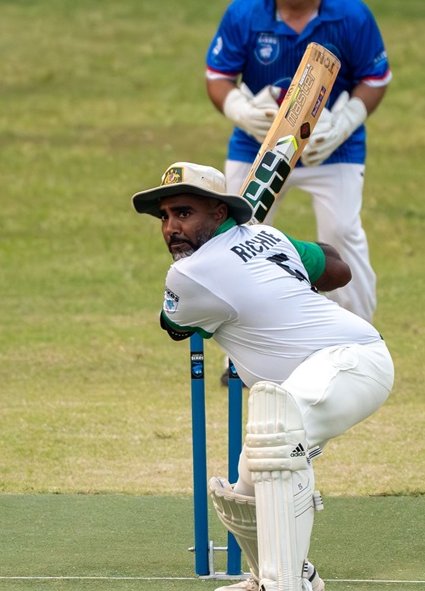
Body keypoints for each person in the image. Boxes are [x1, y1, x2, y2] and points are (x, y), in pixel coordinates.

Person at [132, 162, 395, 591]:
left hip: (352, 361)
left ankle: (284, 584)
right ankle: (277, 578)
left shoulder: (188, 275)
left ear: (219, 213)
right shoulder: (267, 236)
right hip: (337, 367)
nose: (170, 228)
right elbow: (335, 267)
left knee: (275, 439)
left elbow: (174, 325)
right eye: (164, 217)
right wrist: (281, 249)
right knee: (249, 486)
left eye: (184, 213)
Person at [205, 0, 391, 327]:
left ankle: (357, 336)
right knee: (237, 235)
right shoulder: (245, 12)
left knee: (342, 231)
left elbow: (375, 79)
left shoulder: (351, 14)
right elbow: (218, 76)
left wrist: (345, 123)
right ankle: (238, 352)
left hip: (332, 148)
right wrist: (242, 112)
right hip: (257, 146)